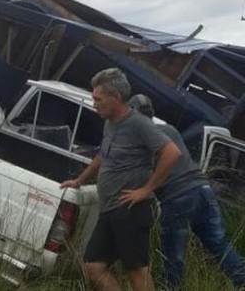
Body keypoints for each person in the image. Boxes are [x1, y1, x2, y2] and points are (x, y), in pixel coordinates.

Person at [60, 68, 181, 291]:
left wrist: (147, 189)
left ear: (115, 98)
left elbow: (172, 152)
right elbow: (103, 155)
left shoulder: (138, 124)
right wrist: (80, 180)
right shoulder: (110, 123)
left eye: (98, 99)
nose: (93, 103)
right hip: (110, 209)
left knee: (136, 270)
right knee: (93, 265)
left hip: (130, 209)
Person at [128, 94, 245, 289]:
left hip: (177, 197)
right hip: (203, 190)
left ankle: (171, 288)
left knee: (173, 255)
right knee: (219, 244)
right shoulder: (170, 130)